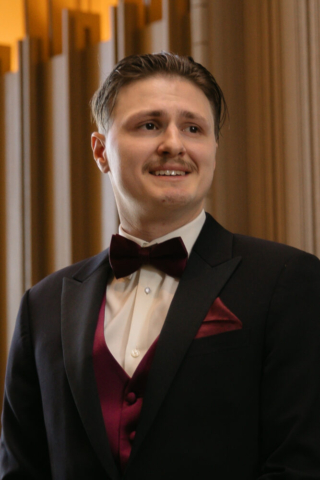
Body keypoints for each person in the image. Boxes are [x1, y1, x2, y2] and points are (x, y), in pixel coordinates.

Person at [1, 52, 320, 480]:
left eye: (193, 128)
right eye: (149, 125)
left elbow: (300, 463)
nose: (174, 143)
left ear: (213, 148)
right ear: (100, 151)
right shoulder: (41, 307)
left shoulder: (286, 281)